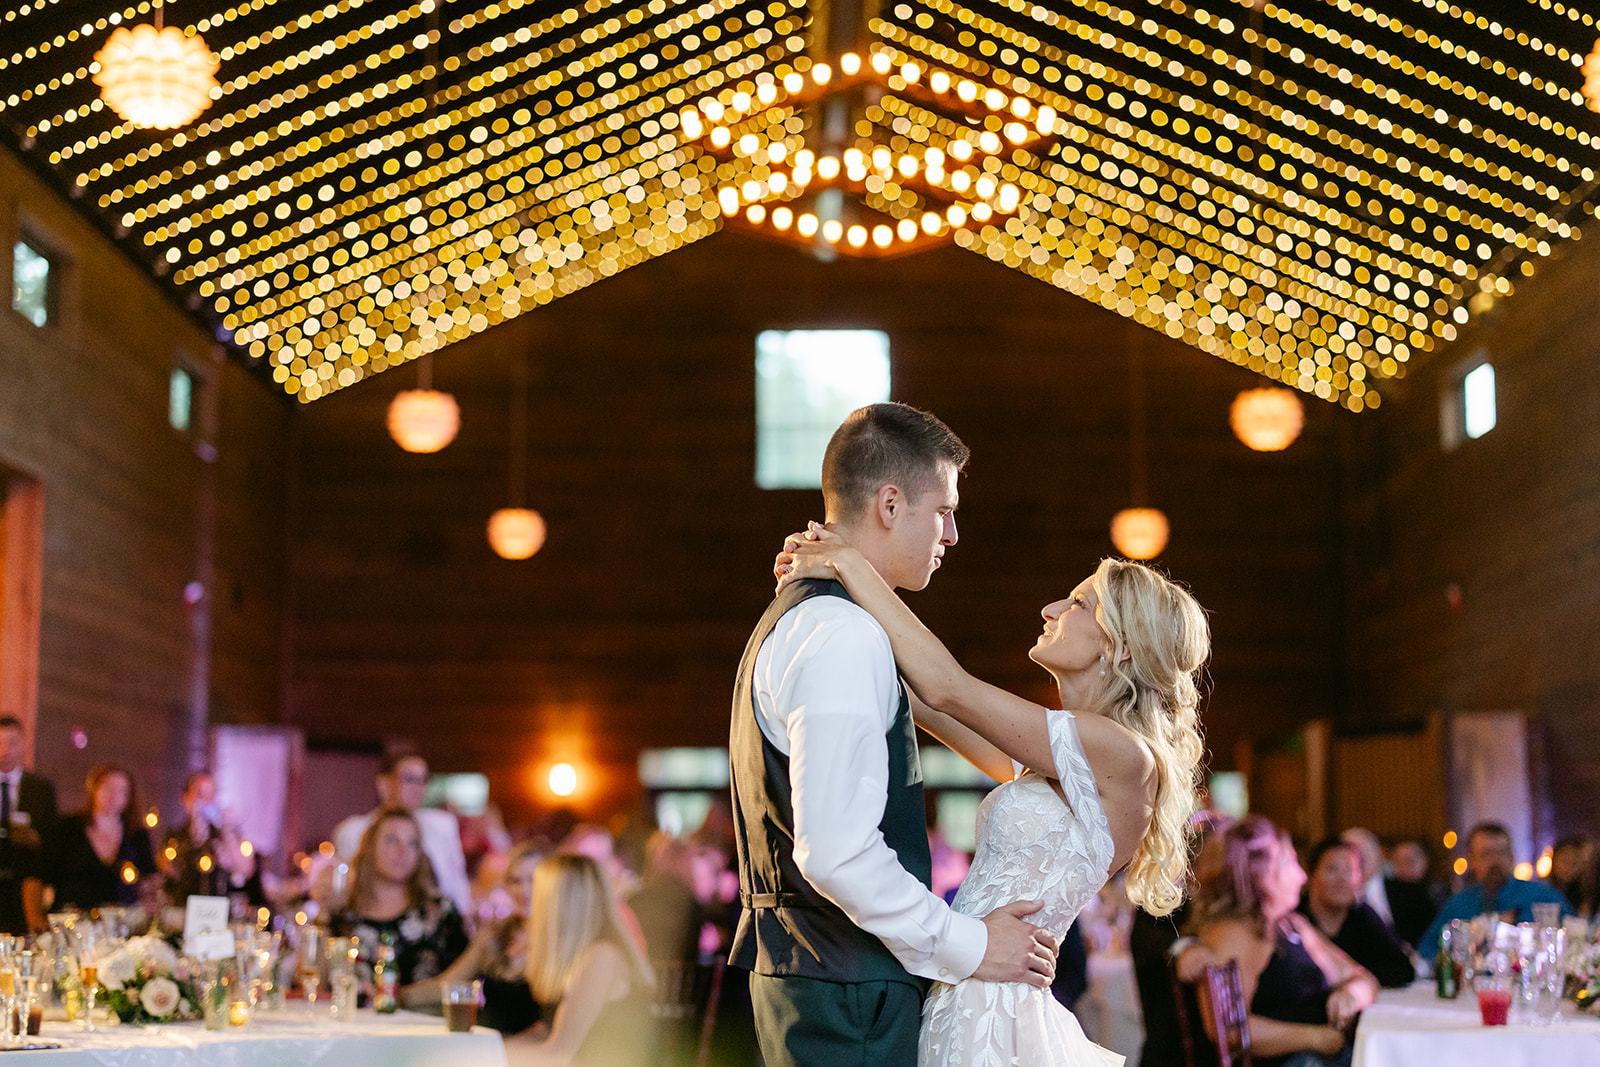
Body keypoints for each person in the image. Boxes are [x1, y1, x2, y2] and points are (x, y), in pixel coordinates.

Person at [777, 513, 1210, 1063]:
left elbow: (947, 686)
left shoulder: (1123, 754)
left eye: (1078, 604)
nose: (1051, 609)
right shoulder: (1059, 761)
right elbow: (926, 702)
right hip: (971, 985)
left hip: (996, 1008)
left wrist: (847, 561)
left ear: (1121, 646)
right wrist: (827, 603)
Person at [733, 403, 1061, 1067]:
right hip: (848, 984)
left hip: (828, 975)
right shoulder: (841, 633)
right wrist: (969, 944)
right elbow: (835, 853)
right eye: (943, 509)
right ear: (889, 502)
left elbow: (940, 699)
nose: (954, 532)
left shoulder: (824, 620)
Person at [1189, 816, 1378, 1067]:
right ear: (1261, 875)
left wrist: (1349, 996)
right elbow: (1229, 1030)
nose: (1301, 876)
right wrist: (1315, 1038)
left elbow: (1364, 979)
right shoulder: (1232, 934)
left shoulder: (1292, 925)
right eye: (1289, 864)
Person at [504, 853, 655, 1067]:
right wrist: (493, 1048)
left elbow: (558, 1054)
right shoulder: (585, 953)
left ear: (558, 903)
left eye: (540, 895)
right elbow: (547, 1030)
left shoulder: (602, 957)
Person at [404, 840, 542, 1033]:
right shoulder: (495, 937)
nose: (523, 890)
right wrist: (393, 996)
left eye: (533, 880)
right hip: (488, 1048)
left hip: (533, 1054)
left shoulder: (562, 942)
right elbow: (447, 985)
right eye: (515, 881)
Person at [330, 808, 469, 990]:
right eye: (392, 840)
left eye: (413, 843)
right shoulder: (344, 915)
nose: (403, 851)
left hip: (424, 1017)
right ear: (370, 846)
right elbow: (319, 980)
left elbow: (464, 981)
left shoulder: (440, 912)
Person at [333, 752, 473, 916]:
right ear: (384, 783)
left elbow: (456, 882)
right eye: (409, 779)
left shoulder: (442, 826)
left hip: (434, 921)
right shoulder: (355, 831)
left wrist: (463, 917)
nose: (418, 788)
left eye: (423, 780)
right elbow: (344, 885)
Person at [1418, 822, 1573, 954]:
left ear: (1511, 857)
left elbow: (1575, 939)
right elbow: (1428, 950)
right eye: (1486, 854)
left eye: (1501, 853)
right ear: (1472, 860)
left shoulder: (1544, 896)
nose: (1495, 861)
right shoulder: (1459, 904)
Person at [1296, 838, 1413, 987]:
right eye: (1332, 869)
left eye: (1350, 870)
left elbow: (1403, 970)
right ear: (1311, 874)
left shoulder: (1361, 916)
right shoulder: (1295, 917)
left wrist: (1352, 976)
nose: (1342, 879)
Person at [47, 764, 156, 910]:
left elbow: (149, 878)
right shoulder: (68, 828)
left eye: (121, 790)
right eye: (108, 787)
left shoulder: (137, 835)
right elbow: (40, 875)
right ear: (94, 789)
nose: (113, 795)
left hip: (123, 921)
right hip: (72, 917)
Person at [158, 771, 265, 907]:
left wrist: (227, 830)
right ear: (186, 798)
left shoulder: (223, 835)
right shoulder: (174, 838)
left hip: (218, 913)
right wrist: (195, 832)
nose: (205, 802)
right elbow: (169, 873)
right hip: (182, 912)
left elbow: (246, 869)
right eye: (200, 795)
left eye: (211, 796)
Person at [0, 716, 54, 933]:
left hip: (25, 887)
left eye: (11, 742)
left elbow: (53, 840)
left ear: (22, 744)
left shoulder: (41, 790)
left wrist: (36, 840)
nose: (5, 750)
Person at [1384, 840, 1446, 949]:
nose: (1404, 866)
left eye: (1410, 861)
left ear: (1423, 861)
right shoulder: (1386, 892)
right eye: (1399, 861)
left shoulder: (1435, 890)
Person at [1340, 828, 1393, 932]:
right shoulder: (1333, 896)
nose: (1357, 860)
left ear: (1377, 855)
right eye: (1351, 853)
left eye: (1363, 853)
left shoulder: (1405, 891)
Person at [1549, 835, 1596, 918]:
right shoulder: (1542, 889)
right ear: (1554, 860)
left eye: (1575, 862)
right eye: (1565, 860)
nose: (1569, 867)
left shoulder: (1586, 894)